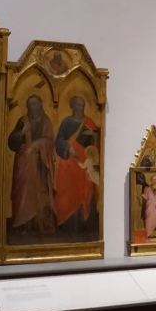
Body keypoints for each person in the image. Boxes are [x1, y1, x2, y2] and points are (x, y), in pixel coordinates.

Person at [7, 94, 56, 235]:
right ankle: (23, 224)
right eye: (29, 104)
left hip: (39, 164)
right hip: (23, 162)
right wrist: (22, 131)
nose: (32, 107)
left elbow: (49, 141)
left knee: (39, 192)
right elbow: (11, 142)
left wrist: (36, 144)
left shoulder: (46, 122)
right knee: (22, 191)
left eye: (34, 103)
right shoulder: (22, 121)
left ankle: (38, 223)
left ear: (40, 104)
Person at [54, 95, 99, 234]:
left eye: (82, 105)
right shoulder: (66, 122)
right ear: (72, 106)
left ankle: (85, 225)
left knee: (85, 191)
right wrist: (68, 147)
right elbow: (59, 141)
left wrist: (94, 135)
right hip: (69, 163)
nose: (81, 107)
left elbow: (97, 143)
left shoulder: (89, 122)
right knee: (68, 193)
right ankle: (68, 226)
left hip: (84, 162)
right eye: (78, 105)